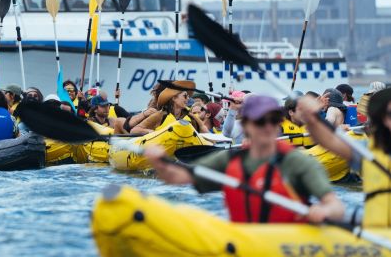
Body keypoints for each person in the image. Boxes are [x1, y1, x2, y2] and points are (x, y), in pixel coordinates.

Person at [146, 94, 345, 224]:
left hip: (285, 243)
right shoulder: (230, 159)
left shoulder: (297, 162)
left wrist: (324, 212)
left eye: (273, 120)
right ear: (246, 125)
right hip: (244, 241)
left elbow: (335, 206)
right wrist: (159, 162)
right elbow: (178, 177)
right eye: (260, 121)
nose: (267, 126)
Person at [298, 88, 391, 227]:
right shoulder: (366, 151)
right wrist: (311, 116)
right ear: (380, 119)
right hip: (377, 231)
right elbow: (328, 140)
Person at [131, 81, 209, 134]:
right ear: (174, 98)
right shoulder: (160, 115)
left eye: (188, 96)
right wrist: (151, 132)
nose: (188, 99)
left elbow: (204, 129)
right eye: (185, 96)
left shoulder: (189, 115)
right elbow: (134, 130)